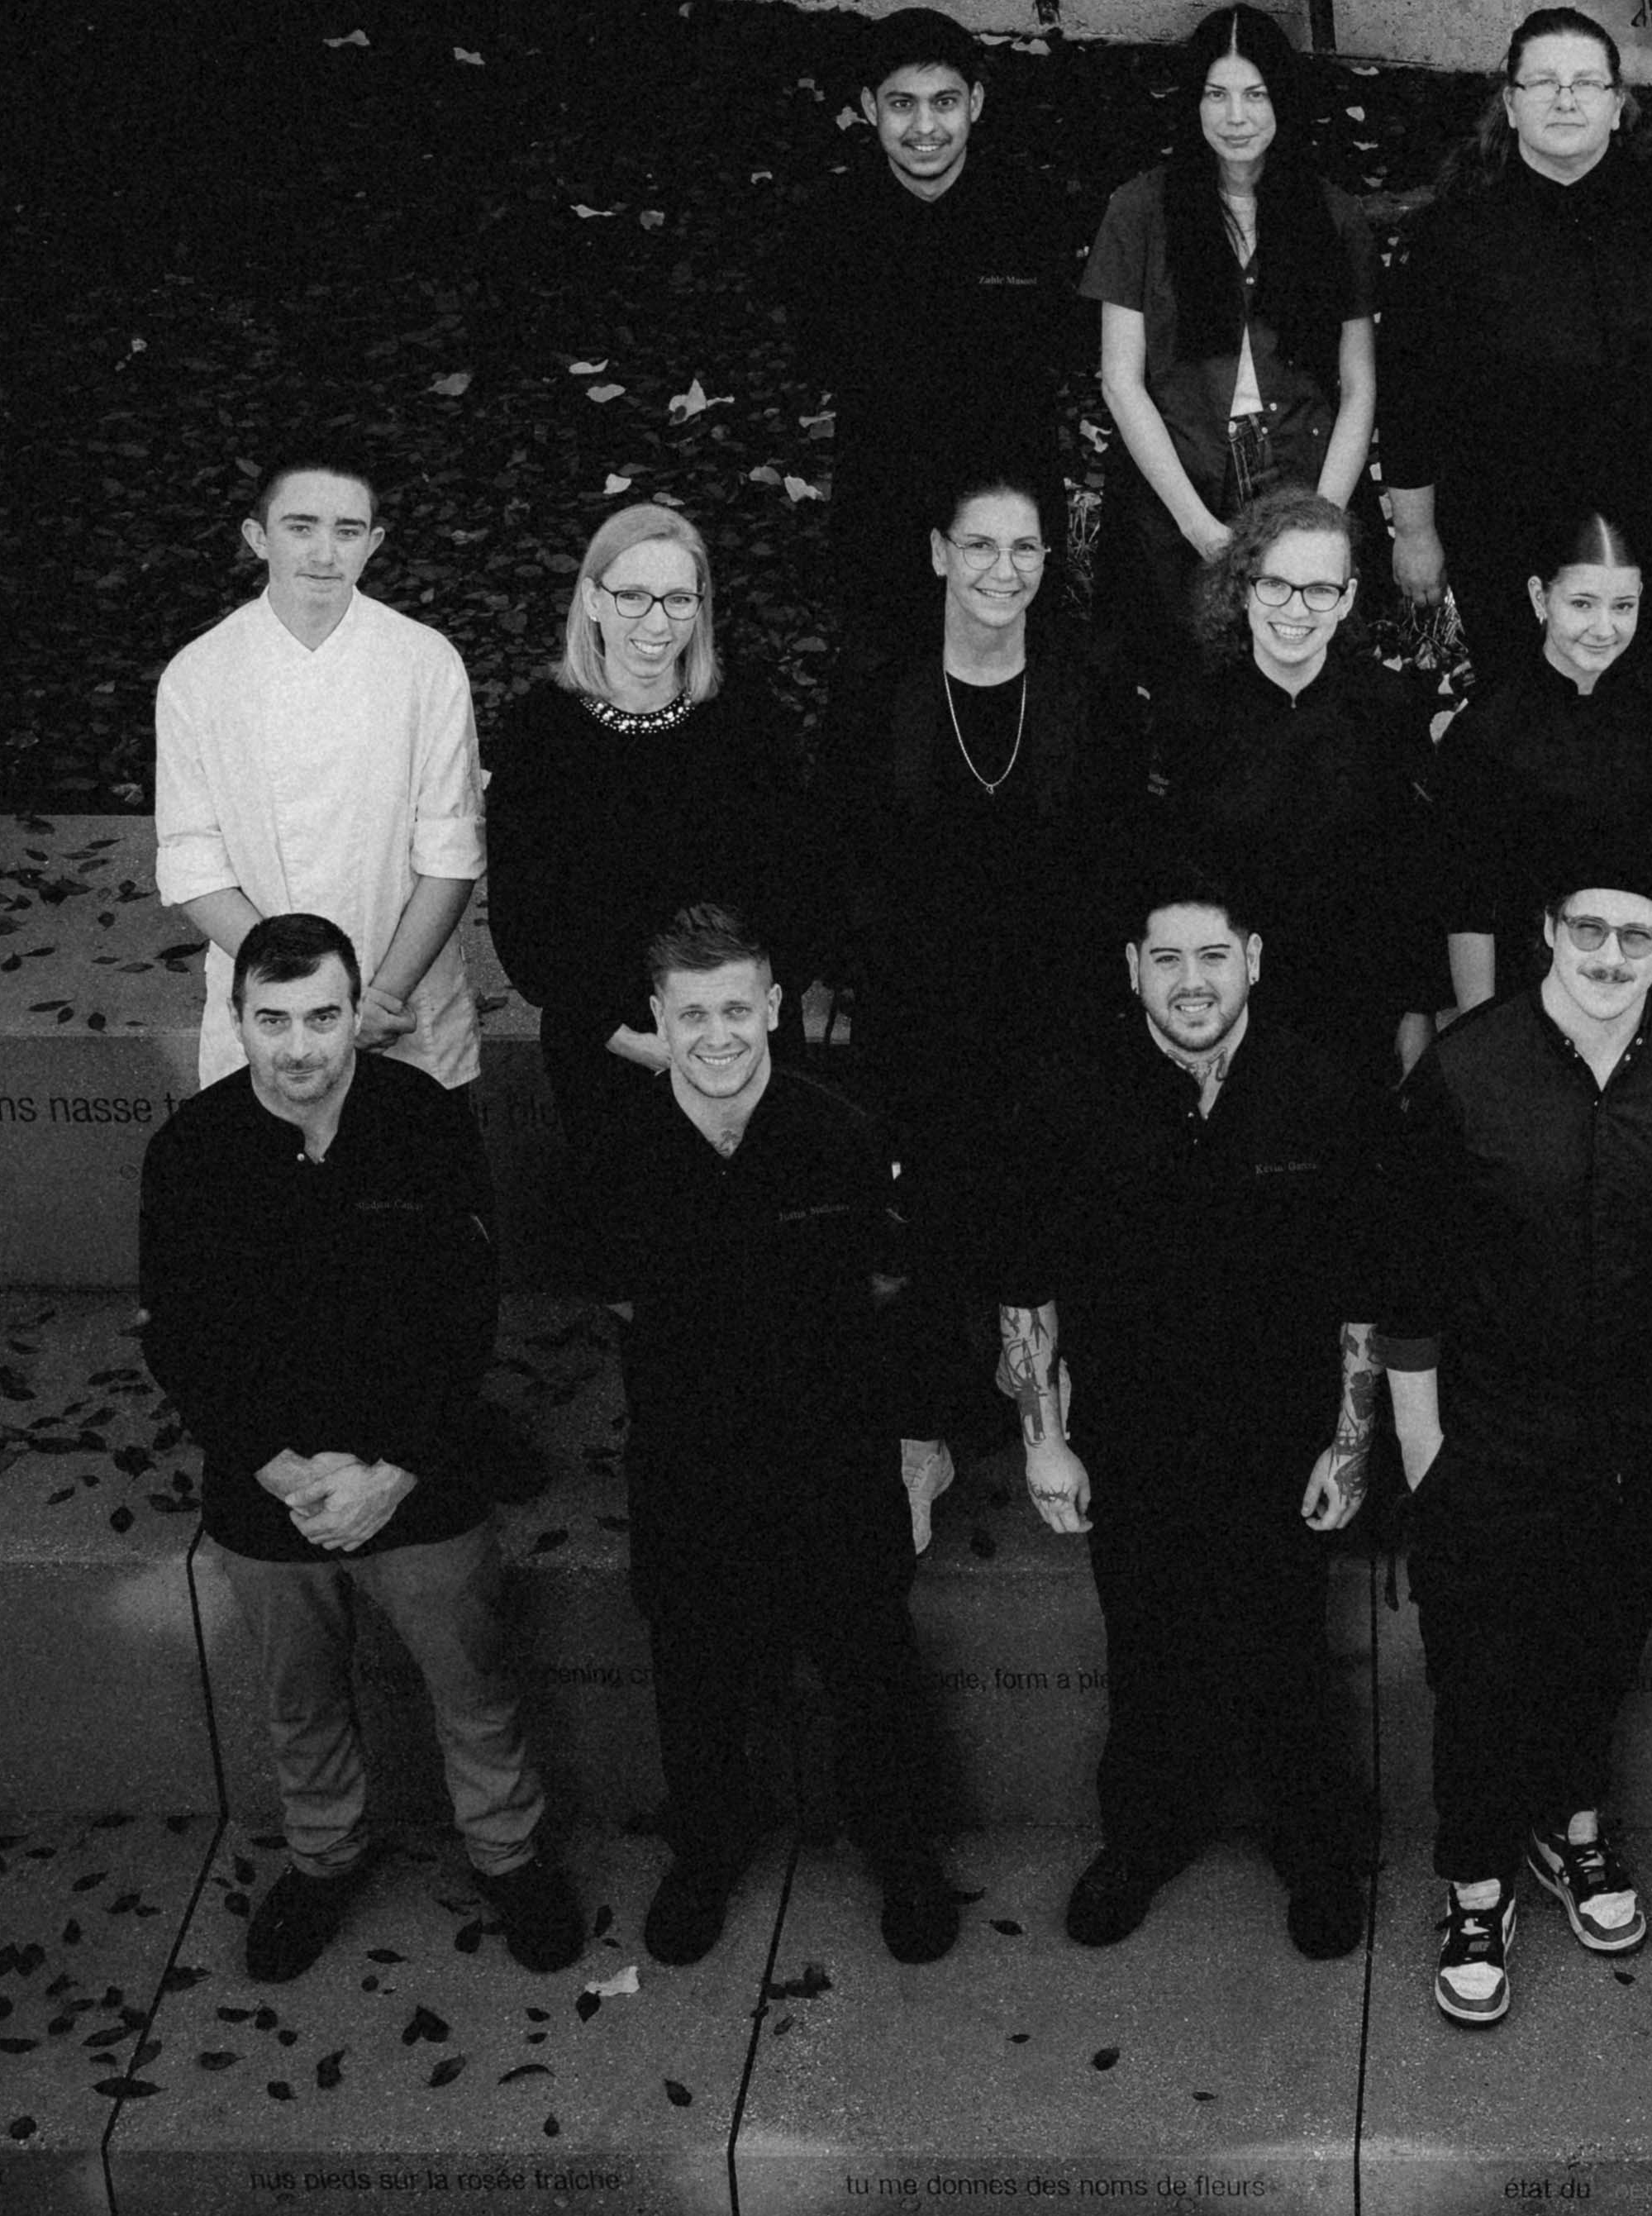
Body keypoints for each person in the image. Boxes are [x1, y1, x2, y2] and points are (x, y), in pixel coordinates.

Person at [138, 913, 577, 1985]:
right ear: (236, 1022)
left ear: (356, 1017)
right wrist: (284, 1471)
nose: (300, 1048)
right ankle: (324, 1860)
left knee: (472, 1687)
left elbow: (464, 1314)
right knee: (300, 1703)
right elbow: (183, 1339)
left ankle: (509, 1856)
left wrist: (393, 1471)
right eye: (273, 1020)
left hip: (416, 1482)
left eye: (323, 1017)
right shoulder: (190, 1152)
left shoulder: (422, 1121)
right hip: (269, 1495)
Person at [1378, 846, 1652, 2028]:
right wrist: (1424, 1453)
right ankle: (1476, 1879)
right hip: (1490, 1430)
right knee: (1484, 1664)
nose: (1608, 957)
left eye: (1634, 937)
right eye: (1586, 930)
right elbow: (1406, 1278)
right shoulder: (1464, 1068)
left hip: (1644, 1428)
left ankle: (1573, 1827)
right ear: (1546, 929)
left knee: (1602, 1641)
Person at [989, 869, 1382, 1961]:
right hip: (1131, 1429)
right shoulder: (1069, 1094)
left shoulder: (1322, 1086)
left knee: (1287, 1653)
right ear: (1132, 971)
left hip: (1280, 1427)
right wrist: (1044, 1439)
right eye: (1165, 959)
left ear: (1252, 959)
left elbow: (1364, 1289)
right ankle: (1142, 1840)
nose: (1191, 980)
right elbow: (1026, 1282)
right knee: (1147, 1646)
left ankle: (1312, 1847)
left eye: (1212, 955)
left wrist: (1348, 1446)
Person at [586, 904, 968, 1970]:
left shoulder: (842, 1137)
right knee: (697, 1677)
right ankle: (705, 1849)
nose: (718, 1034)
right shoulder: (620, 1154)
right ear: (659, 1015)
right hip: (691, 1463)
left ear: (773, 1007)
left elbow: (898, 1301)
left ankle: (902, 1851)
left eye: (737, 1009)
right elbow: (624, 1306)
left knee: (871, 1671)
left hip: (831, 1460)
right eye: (693, 1011)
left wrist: (912, 1444)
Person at [824, 469, 1148, 1467]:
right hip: (916, 998)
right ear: (938, 553)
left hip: (1057, 998)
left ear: (1047, 563)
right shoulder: (882, 688)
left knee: (1050, 1168)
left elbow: (1119, 855)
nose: (1001, 570)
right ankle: (927, 1429)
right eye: (980, 546)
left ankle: (1039, 1384)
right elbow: (840, 849)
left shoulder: (1086, 690)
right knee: (920, 1201)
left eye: (1023, 550)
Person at [1375, 6, 1652, 687]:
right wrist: (1416, 533)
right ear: (1510, 104)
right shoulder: (1450, 236)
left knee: (1646, 711)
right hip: (1501, 522)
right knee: (1522, 713)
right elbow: (1410, 395)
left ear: (1616, 102)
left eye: (1585, 83)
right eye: (1542, 82)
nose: (1564, 98)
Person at [151, 455, 486, 1091]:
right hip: (267, 1007)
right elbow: (192, 858)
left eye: (348, 530)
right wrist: (304, 1000)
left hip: (402, 1009)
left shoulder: (424, 663)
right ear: (258, 538)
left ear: (373, 544)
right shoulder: (199, 675)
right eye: (301, 527)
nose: (324, 553)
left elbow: (450, 849)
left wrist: (374, 998)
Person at [486, 502, 812, 1150]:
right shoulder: (539, 734)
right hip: (605, 1042)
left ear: (701, 607)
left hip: (744, 1044)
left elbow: (800, 885)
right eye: (632, 596)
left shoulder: (749, 720)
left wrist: (736, 1022)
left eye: (678, 600)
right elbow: (526, 917)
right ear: (592, 599)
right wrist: (617, 1031)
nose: (656, 624)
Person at [1083, 4, 1381, 678]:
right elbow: (1120, 381)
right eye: (1216, 95)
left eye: (1255, 94)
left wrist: (1321, 523)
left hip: (1301, 469)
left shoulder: (1333, 217)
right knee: (1180, 672)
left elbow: (1359, 384)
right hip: (1178, 476)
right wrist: (1196, 526)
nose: (1235, 116)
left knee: (1302, 667)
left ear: (1284, 102)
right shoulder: (1140, 210)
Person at [802, 9, 1079, 662]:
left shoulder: (1030, 213)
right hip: (883, 488)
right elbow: (826, 358)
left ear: (976, 103)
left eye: (944, 102)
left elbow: (1056, 353)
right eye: (903, 103)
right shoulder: (833, 225)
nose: (925, 127)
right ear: (869, 107)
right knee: (886, 671)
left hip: (1009, 488)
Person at [1147, 489, 1439, 1092]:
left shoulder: (1389, 709)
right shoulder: (1190, 710)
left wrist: (1416, 1016)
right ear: (1245, 586)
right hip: (1226, 1014)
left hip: (1356, 1010)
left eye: (1319, 590)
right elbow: (1166, 875)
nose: (1296, 609)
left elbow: (1412, 878)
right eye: (1274, 584)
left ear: (1348, 598)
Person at [1428, 508, 1652, 1015]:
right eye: (1582, 603)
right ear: (1541, 597)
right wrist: (1484, 1034)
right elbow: (1469, 905)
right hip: (1533, 988)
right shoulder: (1486, 733)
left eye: (1623, 606)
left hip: (1647, 974)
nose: (1604, 628)